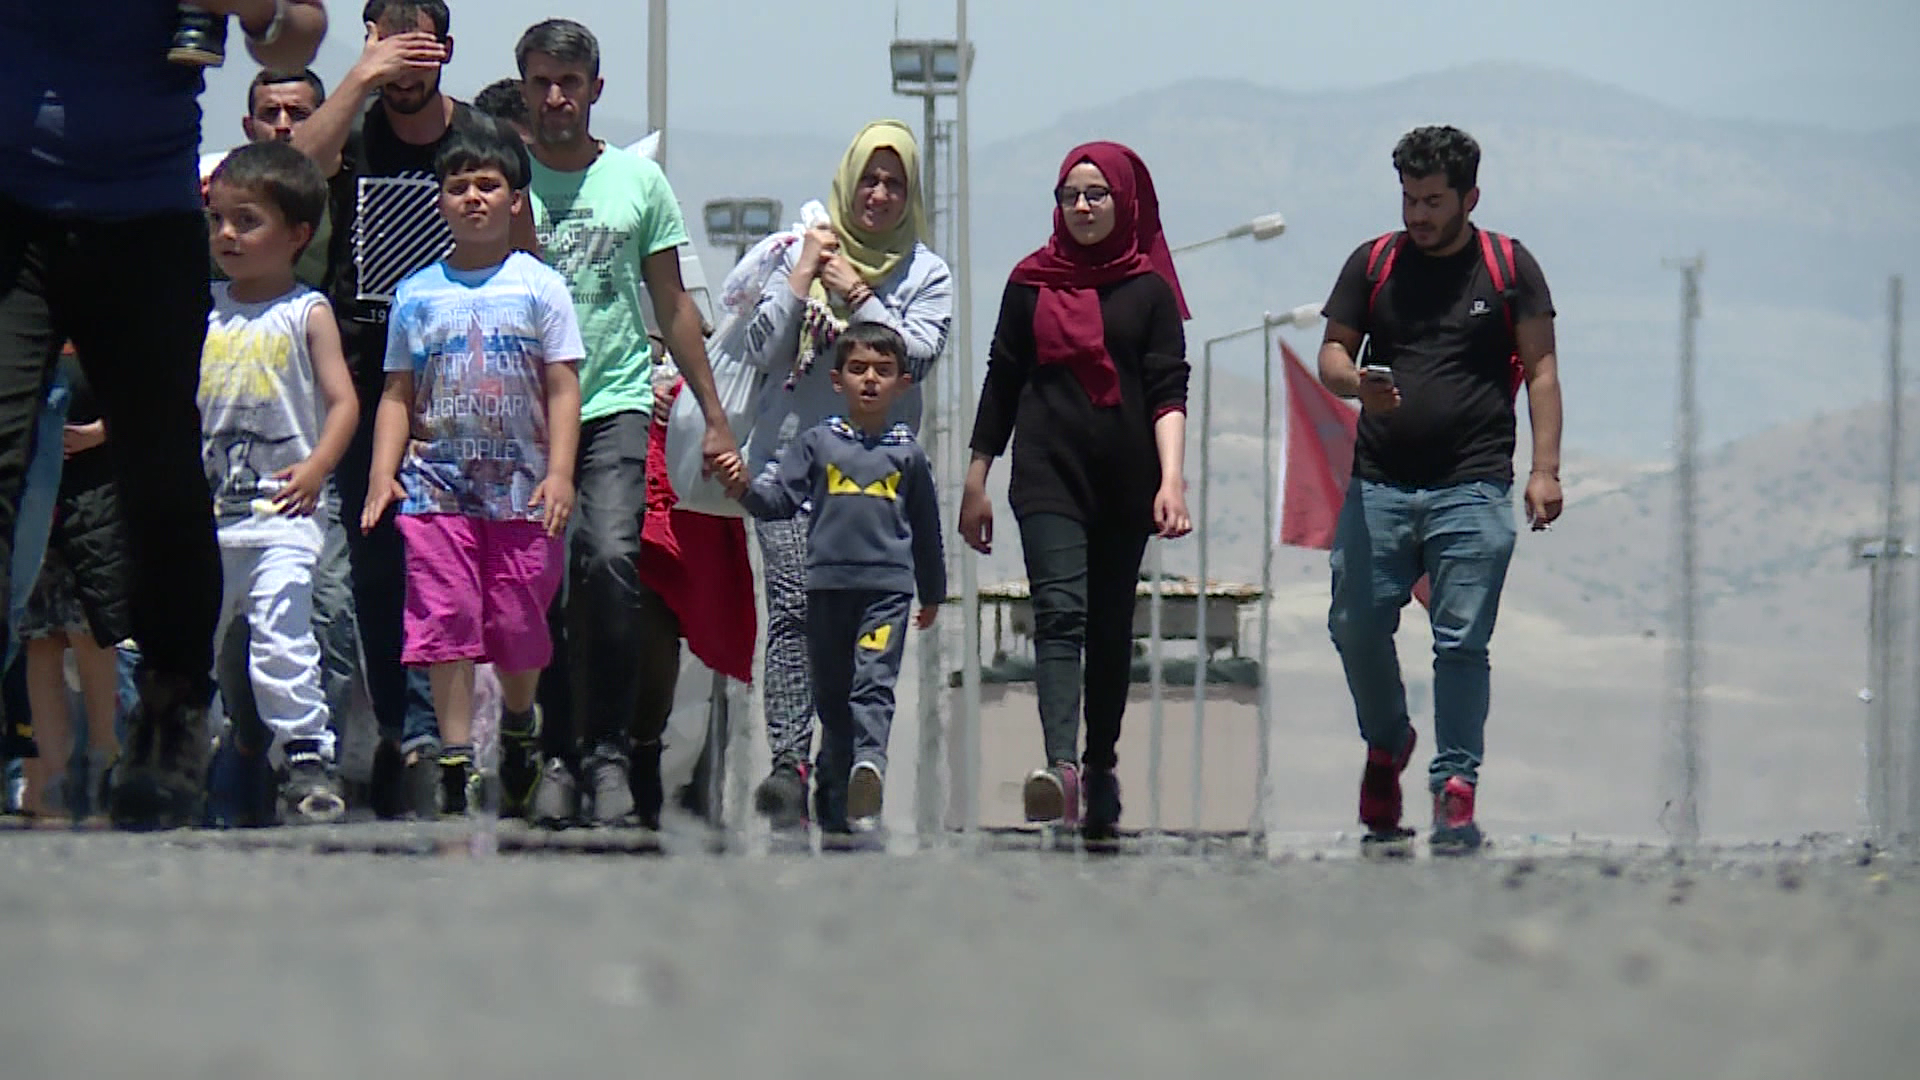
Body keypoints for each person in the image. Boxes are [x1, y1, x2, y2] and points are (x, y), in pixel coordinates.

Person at [0, 2, 328, 829]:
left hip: (143, 216)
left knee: (160, 472)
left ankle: (171, 715)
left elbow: (294, 35)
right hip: (13, 211)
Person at [290, 0, 536, 817]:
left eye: (418, 42)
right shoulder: (351, 128)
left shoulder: (473, 136)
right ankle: (408, 727)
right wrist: (359, 78)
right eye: (386, 38)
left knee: (455, 561)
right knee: (376, 556)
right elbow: (295, 169)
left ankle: (446, 736)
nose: (403, 57)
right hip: (366, 368)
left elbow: (524, 243)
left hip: (460, 373)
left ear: (446, 50)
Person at [515, 18, 740, 828]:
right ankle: (553, 751)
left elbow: (673, 304)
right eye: (540, 81)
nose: (554, 98)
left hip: (611, 402)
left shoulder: (637, 185)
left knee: (609, 562)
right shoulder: (503, 181)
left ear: (594, 90)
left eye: (569, 83)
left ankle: (607, 749)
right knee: (538, 584)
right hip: (519, 416)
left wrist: (714, 416)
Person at [1316, 125, 1562, 856]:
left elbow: (1542, 371)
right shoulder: (1375, 263)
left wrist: (1545, 470)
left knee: (1461, 643)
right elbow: (1332, 353)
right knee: (1354, 623)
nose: (1417, 215)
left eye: (1431, 201)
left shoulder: (1509, 268)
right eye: (1408, 199)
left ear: (1469, 198)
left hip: (1474, 485)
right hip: (1379, 484)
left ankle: (1455, 787)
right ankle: (1388, 745)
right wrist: (1356, 385)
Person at [958, 141, 1193, 843]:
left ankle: (1099, 764)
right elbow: (1001, 380)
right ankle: (1059, 766)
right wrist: (977, 477)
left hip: (1127, 482)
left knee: (1110, 626)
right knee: (1058, 613)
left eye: (1097, 194)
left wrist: (1172, 479)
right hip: (1047, 474)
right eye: (1071, 195)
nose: (1084, 206)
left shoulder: (1147, 291)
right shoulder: (1029, 283)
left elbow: (1167, 390)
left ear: (1125, 202)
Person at [361, 129, 582, 817]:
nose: (473, 198)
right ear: (440, 201)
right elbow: (397, 392)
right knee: (446, 617)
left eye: (487, 186)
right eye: (458, 187)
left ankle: (520, 724)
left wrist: (562, 474)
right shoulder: (416, 294)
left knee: (518, 623)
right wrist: (381, 474)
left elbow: (563, 386)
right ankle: (457, 759)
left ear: (516, 200)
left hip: (521, 491)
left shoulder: (541, 288)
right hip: (437, 487)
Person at [739, 120, 952, 826]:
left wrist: (856, 292)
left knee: (843, 633)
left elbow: (916, 357)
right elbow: (762, 345)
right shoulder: (800, 251)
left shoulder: (927, 276)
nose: (881, 194)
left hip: (870, 483)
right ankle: (788, 763)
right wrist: (803, 274)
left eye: (896, 183)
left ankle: (840, 767)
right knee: (795, 612)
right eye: (870, 179)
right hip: (792, 467)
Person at [730, 323, 944, 832]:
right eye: (859, 369)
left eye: (884, 371)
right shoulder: (817, 444)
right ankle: (835, 781)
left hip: (885, 594)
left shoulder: (908, 455)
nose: (870, 380)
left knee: (873, 681)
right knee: (832, 693)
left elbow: (926, 528)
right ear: (836, 380)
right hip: (825, 589)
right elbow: (780, 502)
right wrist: (741, 488)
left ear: (903, 385)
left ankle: (869, 765)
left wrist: (932, 592)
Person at [201, 141, 359, 823]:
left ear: (297, 235)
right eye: (218, 221)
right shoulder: (202, 309)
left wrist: (320, 465)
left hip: (283, 516)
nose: (228, 236)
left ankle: (306, 752)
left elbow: (343, 400)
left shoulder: (307, 312)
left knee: (281, 630)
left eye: (247, 221)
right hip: (210, 516)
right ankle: (202, 752)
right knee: (201, 645)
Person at [16, 346, 130, 820]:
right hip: (35, 494)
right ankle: (54, 776)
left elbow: (142, 401)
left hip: (95, 495)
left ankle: (104, 759)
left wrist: (100, 434)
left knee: (91, 633)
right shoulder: (30, 336)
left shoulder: (104, 333)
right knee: (40, 638)